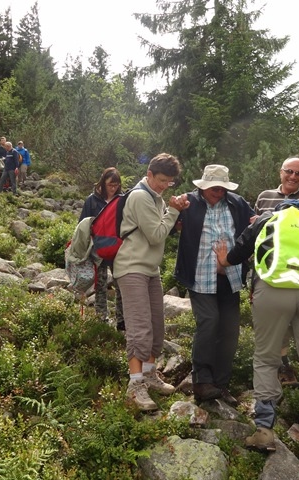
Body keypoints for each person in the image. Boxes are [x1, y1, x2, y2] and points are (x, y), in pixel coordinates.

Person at [215, 200, 299, 477]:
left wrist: (224, 259)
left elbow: (238, 253)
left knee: (265, 358)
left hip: (271, 291)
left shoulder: (265, 219)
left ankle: (264, 432)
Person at [114, 153, 190, 411]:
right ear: (149, 175)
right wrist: (174, 211)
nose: (163, 185)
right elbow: (157, 235)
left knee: (157, 324)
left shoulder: (155, 197)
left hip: (150, 269)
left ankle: (149, 374)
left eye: (169, 182)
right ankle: (135, 386)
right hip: (131, 267)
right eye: (160, 180)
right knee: (139, 327)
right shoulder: (139, 196)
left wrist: (172, 214)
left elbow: (159, 229)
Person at [173, 164, 253, 405]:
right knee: (209, 321)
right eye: (214, 188)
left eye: (222, 188)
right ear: (203, 186)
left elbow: (255, 224)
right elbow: (165, 226)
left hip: (230, 274)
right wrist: (174, 212)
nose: (218, 192)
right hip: (199, 275)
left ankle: (221, 384)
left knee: (229, 329)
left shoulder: (236, 203)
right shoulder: (188, 203)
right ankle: (202, 381)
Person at [254, 155, 299, 388]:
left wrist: (266, 219)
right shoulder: (264, 196)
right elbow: (256, 234)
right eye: (289, 171)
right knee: (275, 322)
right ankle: (281, 365)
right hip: (269, 271)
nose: (293, 177)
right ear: (280, 172)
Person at [79, 167, 125, 330]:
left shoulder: (122, 200)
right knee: (101, 284)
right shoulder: (92, 201)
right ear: (103, 183)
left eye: (116, 185)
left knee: (121, 284)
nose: (113, 188)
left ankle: (121, 321)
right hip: (97, 248)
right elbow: (83, 225)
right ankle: (101, 318)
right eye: (110, 185)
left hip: (118, 249)